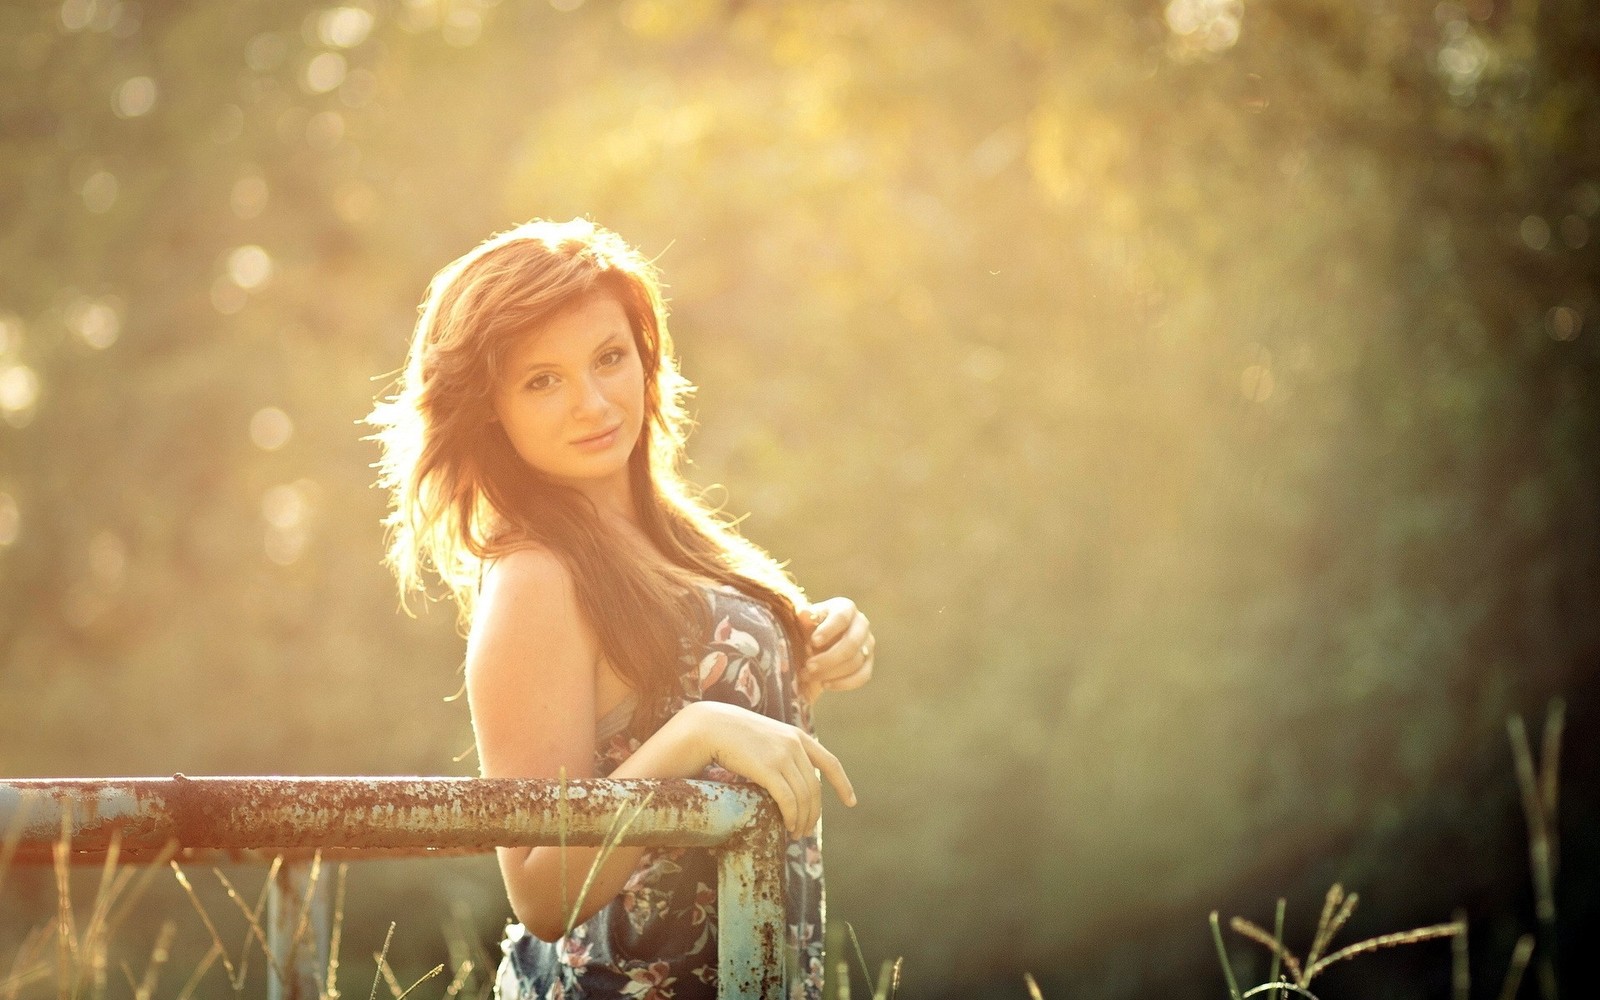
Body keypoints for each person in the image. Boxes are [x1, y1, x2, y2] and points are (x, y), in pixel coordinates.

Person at [367, 218, 874, 1000]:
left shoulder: (672, 536)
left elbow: (704, 703)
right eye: (543, 380)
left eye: (610, 358)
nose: (593, 403)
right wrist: (696, 734)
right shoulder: (536, 574)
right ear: (490, 408)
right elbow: (540, 891)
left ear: (647, 357)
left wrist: (816, 643)